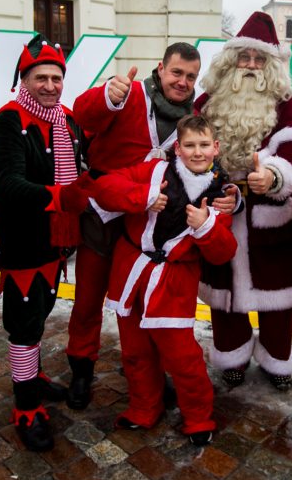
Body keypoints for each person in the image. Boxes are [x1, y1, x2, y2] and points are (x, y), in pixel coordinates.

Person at [70, 43, 235, 408]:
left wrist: (231, 192)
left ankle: (152, 374)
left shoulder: (192, 116)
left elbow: (207, 166)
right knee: (88, 298)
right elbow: (83, 115)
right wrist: (106, 97)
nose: (183, 81)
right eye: (177, 73)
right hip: (105, 210)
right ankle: (81, 366)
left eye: (191, 76)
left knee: (148, 303)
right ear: (160, 68)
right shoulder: (128, 95)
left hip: (150, 223)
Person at [92, 115, 237, 446]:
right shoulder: (153, 172)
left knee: (182, 356)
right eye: (189, 145)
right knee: (134, 351)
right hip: (132, 273)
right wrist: (140, 196)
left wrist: (205, 226)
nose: (197, 152)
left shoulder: (220, 196)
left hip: (174, 282)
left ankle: (199, 416)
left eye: (203, 145)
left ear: (215, 148)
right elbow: (104, 188)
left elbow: (223, 252)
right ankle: (144, 408)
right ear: (177, 148)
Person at [196, 11, 292, 391]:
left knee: (276, 299)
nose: (249, 65)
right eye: (243, 57)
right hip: (222, 213)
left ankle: (277, 359)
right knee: (224, 296)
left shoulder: (286, 106)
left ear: (270, 65)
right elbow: (189, 149)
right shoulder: (207, 102)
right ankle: (233, 353)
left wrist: (274, 176)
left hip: (270, 215)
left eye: (258, 59)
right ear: (231, 60)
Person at [0, 34, 93, 451]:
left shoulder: (66, 120)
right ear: (23, 79)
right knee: (23, 325)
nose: (50, 85)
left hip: (57, 239)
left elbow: (83, 165)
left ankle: (30, 374)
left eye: (56, 77)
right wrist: (59, 196)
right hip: (23, 242)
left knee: (42, 311)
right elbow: (9, 183)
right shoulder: (9, 119)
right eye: (40, 77)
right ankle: (25, 404)